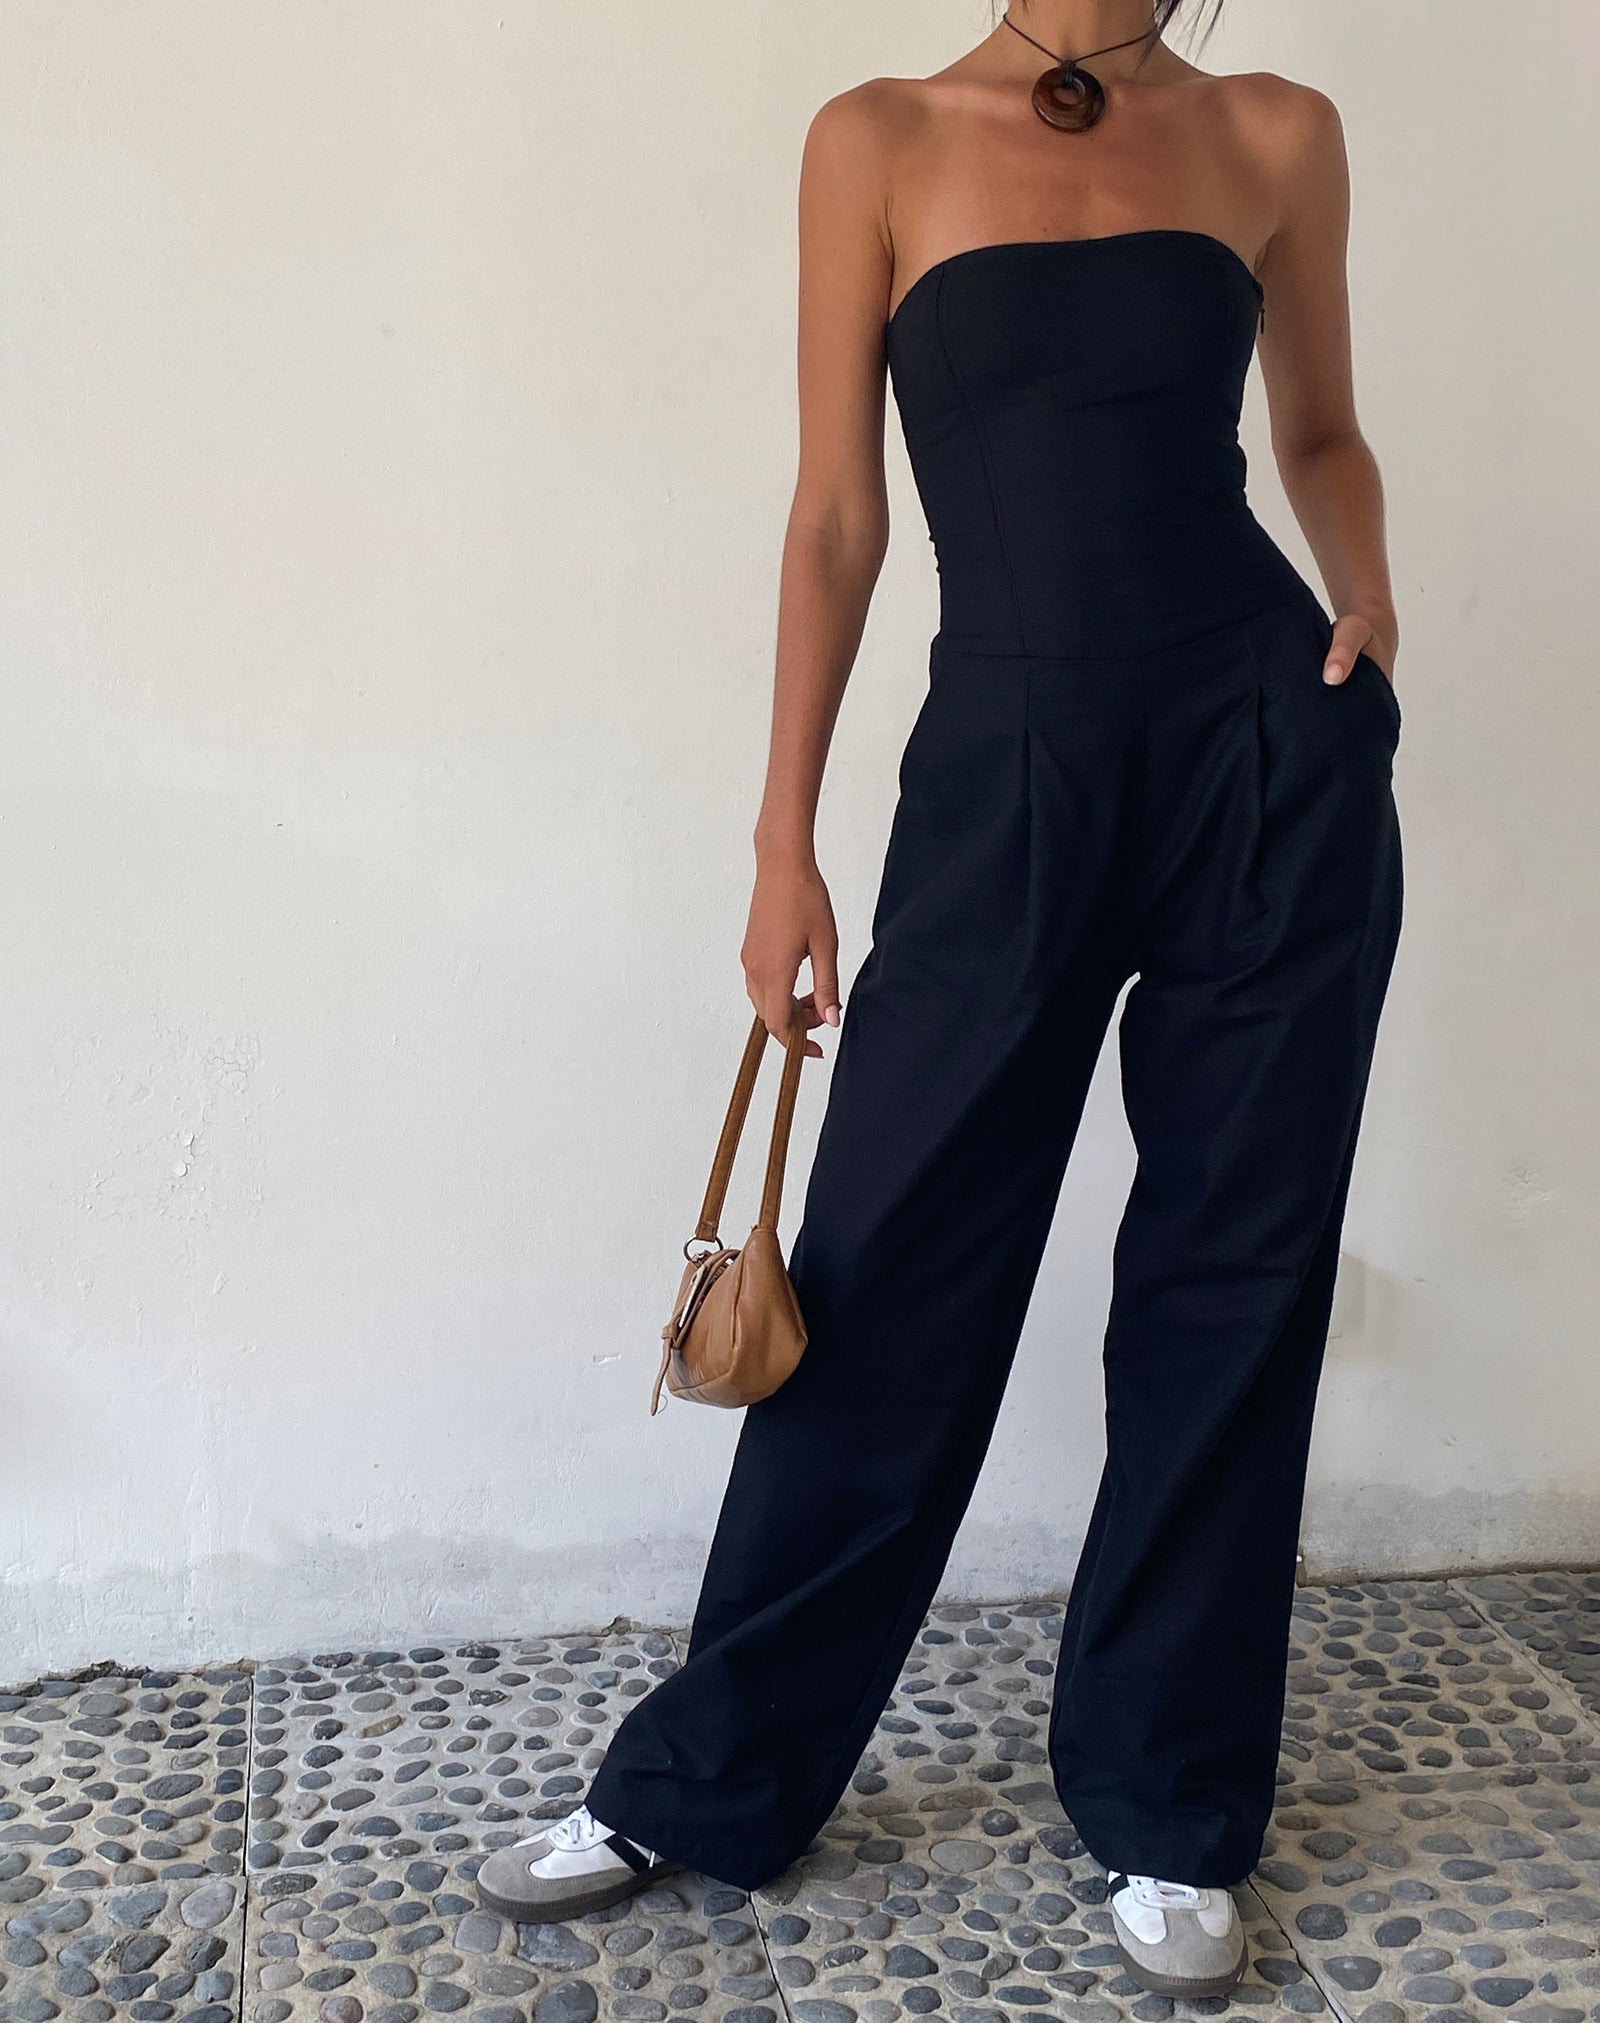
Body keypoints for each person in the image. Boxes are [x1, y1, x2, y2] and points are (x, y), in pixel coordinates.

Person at [478, 0, 1404, 1998]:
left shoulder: (1272, 129)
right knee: (888, 1272)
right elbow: (837, 511)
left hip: (1267, 752)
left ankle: (1168, 1803)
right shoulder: (879, 137)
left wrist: (1363, 590)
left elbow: (1317, 430)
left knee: (1232, 1279)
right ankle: (711, 1773)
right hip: (1006, 770)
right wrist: (781, 839)